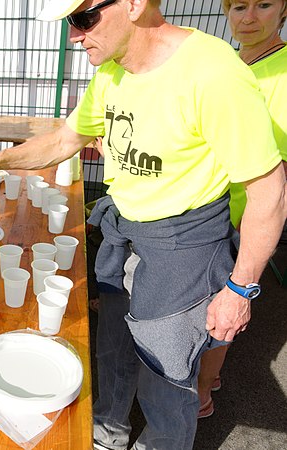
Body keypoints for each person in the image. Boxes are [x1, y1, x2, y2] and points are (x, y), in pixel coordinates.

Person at [0, 0, 286, 448]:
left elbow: (270, 191)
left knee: (165, 381)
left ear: (133, 4)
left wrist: (240, 289)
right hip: (125, 231)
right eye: (71, 22)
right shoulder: (111, 72)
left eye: (83, 18)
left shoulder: (214, 73)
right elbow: (67, 139)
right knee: (114, 350)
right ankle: (108, 434)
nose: (74, 35)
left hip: (182, 246)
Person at [198, 0, 287, 419]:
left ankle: (202, 393)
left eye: (263, 5)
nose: (248, 17)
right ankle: (208, 375)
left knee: (224, 306)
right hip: (203, 211)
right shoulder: (229, 64)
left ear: (283, 9)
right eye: (238, 7)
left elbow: (276, 183)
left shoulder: (283, 74)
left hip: (237, 218)